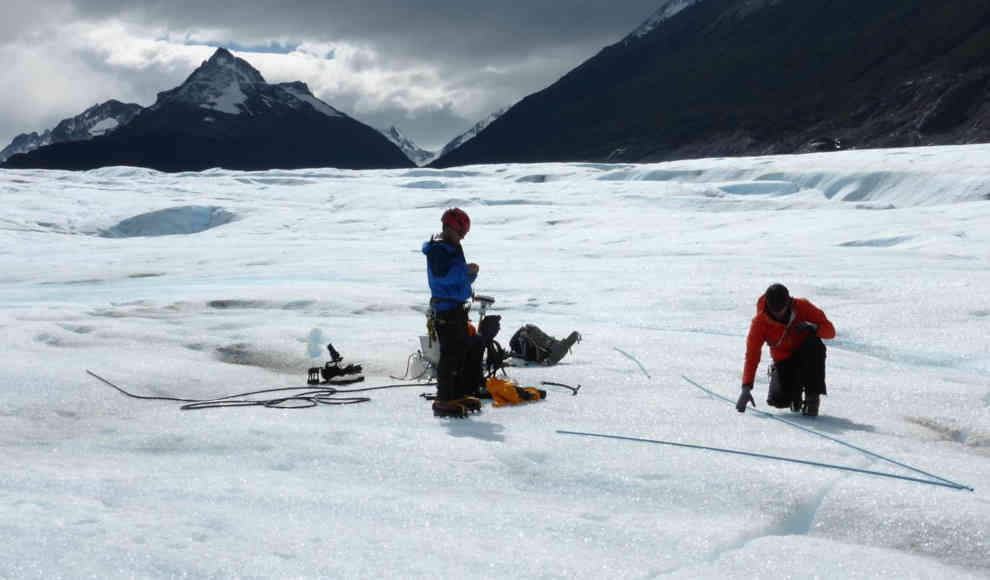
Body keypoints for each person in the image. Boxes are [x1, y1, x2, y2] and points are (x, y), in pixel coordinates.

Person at [736, 283, 835, 417]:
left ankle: (813, 396)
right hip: (783, 361)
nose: (778, 314)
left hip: (806, 356)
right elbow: (752, 355)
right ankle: (795, 393)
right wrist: (746, 387)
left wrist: (813, 327)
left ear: (788, 302)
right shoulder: (759, 322)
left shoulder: (802, 306)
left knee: (814, 344)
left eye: (781, 309)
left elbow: (831, 331)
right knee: (778, 400)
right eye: (774, 310)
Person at [423, 208, 483, 417]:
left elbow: (456, 279)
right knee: (450, 354)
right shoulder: (438, 250)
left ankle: (456, 394)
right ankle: (444, 399)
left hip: (455, 308)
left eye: (464, 235)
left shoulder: (452, 247)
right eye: (461, 233)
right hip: (445, 311)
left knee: (461, 350)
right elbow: (442, 276)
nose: (462, 238)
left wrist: (469, 276)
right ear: (449, 228)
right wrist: (464, 271)